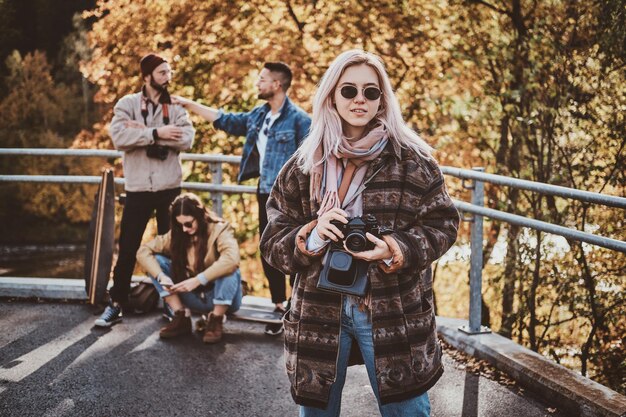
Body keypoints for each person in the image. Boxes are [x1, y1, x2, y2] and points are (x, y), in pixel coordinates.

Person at [259, 50, 460, 416]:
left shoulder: (412, 161)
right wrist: (314, 235)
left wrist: (394, 248)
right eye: (349, 90)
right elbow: (273, 242)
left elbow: (443, 224)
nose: (360, 100)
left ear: (383, 99)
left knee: (409, 412)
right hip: (319, 311)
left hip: (392, 309)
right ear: (332, 96)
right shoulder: (305, 165)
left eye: (371, 92)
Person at [173, 62, 311, 336]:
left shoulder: (299, 119)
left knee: (296, 251)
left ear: (277, 85)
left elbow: (310, 162)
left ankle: (300, 309)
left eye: (262, 80)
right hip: (265, 193)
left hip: (293, 198)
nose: (257, 84)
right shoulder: (259, 116)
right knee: (269, 248)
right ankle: (279, 305)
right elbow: (225, 120)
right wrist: (188, 104)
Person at [95, 53, 195, 327]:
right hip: (138, 188)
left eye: (169, 72)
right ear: (147, 76)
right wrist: (156, 134)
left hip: (169, 188)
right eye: (162, 72)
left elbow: (187, 139)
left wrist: (144, 131)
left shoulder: (175, 106)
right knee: (128, 246)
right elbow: (118, 137)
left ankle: (171, 305)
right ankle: (116, 303)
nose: (168, 77)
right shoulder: (127, 104)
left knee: (172, 248)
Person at [136, 193, 242, 343]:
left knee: (230, 268)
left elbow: (232, 259)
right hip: (191, 296)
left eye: (188, 223)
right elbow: (143, 251)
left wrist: (199, 279)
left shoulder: (220, 229)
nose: (184, 229)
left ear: (199, 215)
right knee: (157, 262)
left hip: (223, 299)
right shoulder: (177, 234)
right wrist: (162, 277)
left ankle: (216, 320)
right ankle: (180, 317)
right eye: (179, 225)